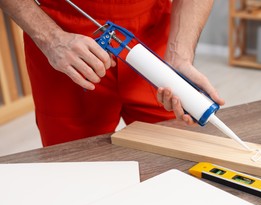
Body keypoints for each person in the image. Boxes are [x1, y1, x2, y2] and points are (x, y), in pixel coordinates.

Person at [0, 0, 224, 146]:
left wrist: (179, 56)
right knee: (74, 167)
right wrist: (50, 38)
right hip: (68, 45)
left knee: (176, 151)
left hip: (154, 43)